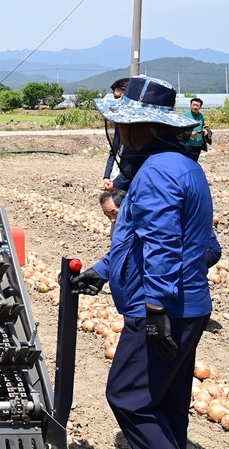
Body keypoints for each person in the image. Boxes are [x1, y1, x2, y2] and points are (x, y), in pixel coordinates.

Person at [71, 75, 215, 449]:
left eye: (122, 123)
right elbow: (185, 241)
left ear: (139, 126)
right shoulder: (185, 166)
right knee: (167, 400)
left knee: (128, 398)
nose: (118, 131)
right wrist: (103, 272)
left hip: (162, 310)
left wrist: (155, 309)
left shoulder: (155, 172)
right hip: (191, 306)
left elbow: (163, 244)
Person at [102, 78, 130, 190]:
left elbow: (137, 161)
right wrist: (107, 176)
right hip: (121, 176)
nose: (118, 101)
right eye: (116, 97)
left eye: (121, 98)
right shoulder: (119, 122)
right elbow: (114, 150)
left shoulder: (143, 128)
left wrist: (118, 183)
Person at [183, 97, 206, 161]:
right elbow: (180, 130)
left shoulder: (201, 116)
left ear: (200, 107)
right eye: (193, 105)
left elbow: (203, 125)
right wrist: (189, 133)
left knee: (195, 161)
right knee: (188, 161)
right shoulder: (185, 116)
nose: (195, 107)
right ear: (190, 105)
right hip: (188, 144)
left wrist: (205, 130)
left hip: (198, 144)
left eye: (197, 105)